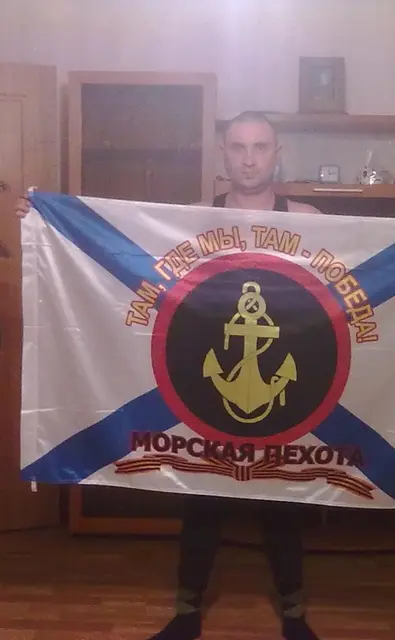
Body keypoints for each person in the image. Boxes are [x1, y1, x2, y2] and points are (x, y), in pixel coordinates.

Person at [15, 111, 321, 640]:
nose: (249, 158)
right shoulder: (194, 219)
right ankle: (187, 611)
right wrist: (45, 220)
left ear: (278, 153)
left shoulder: (310, 221)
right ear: (223, 154)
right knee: (201, 498)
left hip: (281, 383)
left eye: (260, 147)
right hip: (208, 385)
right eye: (239, 147)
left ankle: (294, 614)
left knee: (281, 501)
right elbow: (136, 264)